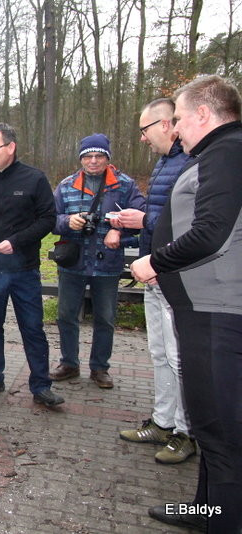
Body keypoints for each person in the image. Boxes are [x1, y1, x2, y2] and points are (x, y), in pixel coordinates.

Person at [130, 75, 242, 533]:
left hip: (218, 312)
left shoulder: (228, 151)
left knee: (220, 431)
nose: (174, 128)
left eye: (177, 118)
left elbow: (212, 232)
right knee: (206, 421)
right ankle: (204, 509)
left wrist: (155, 261)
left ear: (203, 113)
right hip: (202, 308)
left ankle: (225, 522)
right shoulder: (218, 153)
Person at [113, 99, 194, 464]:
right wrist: (140, 222)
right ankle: (162, 422)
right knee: (159, 353)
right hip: (153, 272)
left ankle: (185, 431)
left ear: (166, 124)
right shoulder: (165, 162)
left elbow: (187, 224)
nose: (142, 138)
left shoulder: (192, 161)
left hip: (175, 275)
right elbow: (160, 213)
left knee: (180, 357)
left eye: (145, 130)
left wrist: (142, 221)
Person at [0, 123, 63, 407]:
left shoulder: (34, 179)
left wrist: (16, 241)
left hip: (24, 270)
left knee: (32, 328)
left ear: (11, 147)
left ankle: (41, 386)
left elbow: (47, 220)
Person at [51, 134, 144, 389]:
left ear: (107, 158)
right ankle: (69, 363)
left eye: (99, 156)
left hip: (107, 263)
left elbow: (143, 218)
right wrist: (67, 222)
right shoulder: (67, 185)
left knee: (105, 317)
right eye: (88, 156)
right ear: (81, 158)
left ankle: (100, 368)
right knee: (66, 315)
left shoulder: (125, 185)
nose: (93, 161)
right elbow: (49, 218)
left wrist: (120, 231)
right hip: (73, 262)